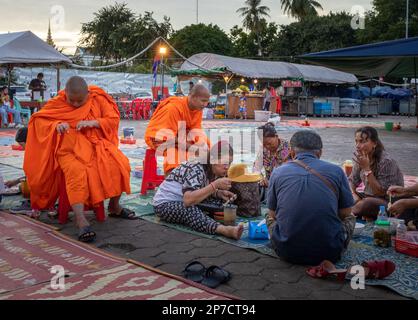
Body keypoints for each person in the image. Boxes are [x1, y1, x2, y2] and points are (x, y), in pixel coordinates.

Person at [24, 76, 135, 243]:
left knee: (121, 164)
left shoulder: (98, 98)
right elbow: (39, 120)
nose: (75, 105)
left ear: (88, 94)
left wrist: (93, 123)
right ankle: (80, 219)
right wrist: (57, 125)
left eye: (80, 101)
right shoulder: (58, 101)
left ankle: (114, 206)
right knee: (77, 172)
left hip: (97, 144)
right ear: (65, 94)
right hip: (69, 148)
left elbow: (112, 119)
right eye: (71, 100)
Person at [267, 130, 355, 265]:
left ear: (292, 152)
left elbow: (273, 214)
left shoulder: (278, 172)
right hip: (329, 253)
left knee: (268, 217)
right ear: (320, 153)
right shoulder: (337, 171)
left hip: (286, 250)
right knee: (351, 216)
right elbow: (345, 212)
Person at [153, 141, 244, 240]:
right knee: (189, 209)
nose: (227, 167)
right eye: (224, 162)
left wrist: (218, 193)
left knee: (219, 203)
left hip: (182, 200)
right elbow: (188, 200)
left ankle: (209, 219)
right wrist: (215, 185)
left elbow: (200, 188)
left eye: (229, 163)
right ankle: (223, 229)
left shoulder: (213, 171)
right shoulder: (196, 168)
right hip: (164, 204)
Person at [145, 84, 210, 175]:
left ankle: (204, 177)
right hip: (160, 138)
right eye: (203, 101)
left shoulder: (197, 109)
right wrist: (192, 148)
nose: (205, 105)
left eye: (207, 102)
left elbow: (196, 129)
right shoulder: (173, 108)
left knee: (208, 147)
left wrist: (202, 144)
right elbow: (167, 138)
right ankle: (173, 184)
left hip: (180, 136)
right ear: (192, 97)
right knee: (174, 154)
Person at [349, 127, 404, 220]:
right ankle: (354, 211)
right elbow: (352, 181)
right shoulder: (362, 157)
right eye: (356, 141)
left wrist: (367, 169)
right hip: (367, 196)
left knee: (367, 203)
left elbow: (379, 192)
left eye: (362, 141)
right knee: (339, 193)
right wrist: (353, 194)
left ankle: (346, 214)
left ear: (374, 143)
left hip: (388, 202)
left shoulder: (386, 161)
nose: (357, 146)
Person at [253, 122, 290, 188]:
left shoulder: (288, 149)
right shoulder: (263, 149)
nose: (267, 147)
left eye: (269, 143)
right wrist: (261, 178)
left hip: (284, 185)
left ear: (276, 136)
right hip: (269, 185)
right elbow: (256, 167)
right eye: (264, 144)